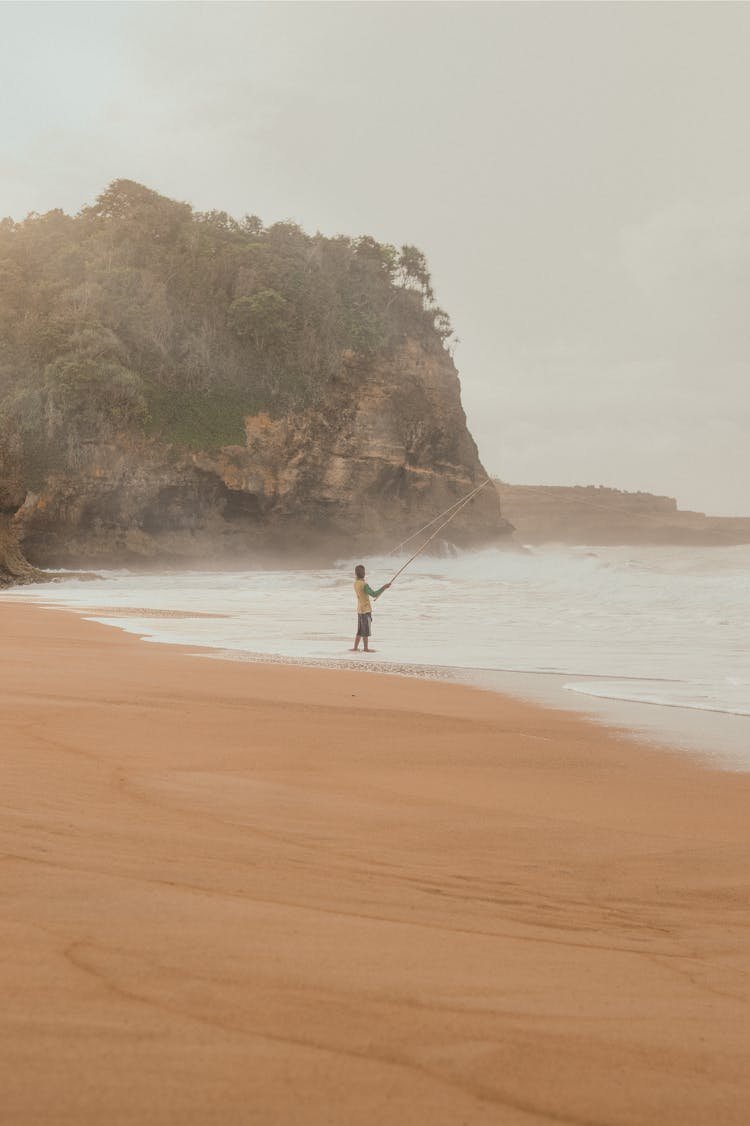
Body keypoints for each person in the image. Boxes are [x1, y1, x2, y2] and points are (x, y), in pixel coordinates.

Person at [352, 564, 391, 652]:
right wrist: (384, 587)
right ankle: (365, 648)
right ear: (363, 573)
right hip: (366, 610)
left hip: (359, 609)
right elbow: (374, 594)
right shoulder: (364, 585)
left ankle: (355, 648)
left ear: (356, 574)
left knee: (359, 630)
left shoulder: (355, 583)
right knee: (365, 630)